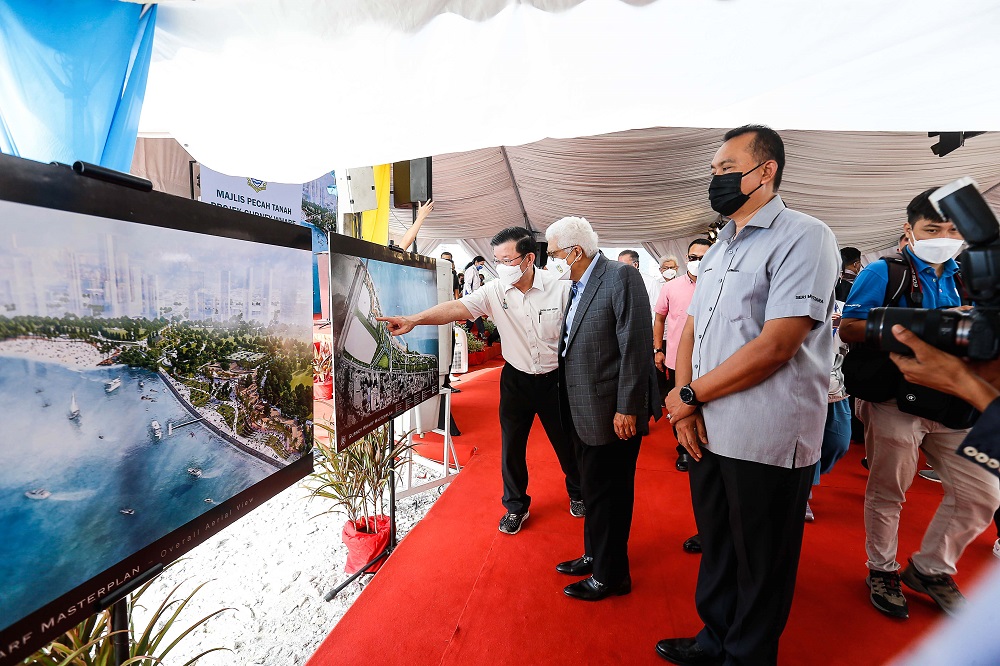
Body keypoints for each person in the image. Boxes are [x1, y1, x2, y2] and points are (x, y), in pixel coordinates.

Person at [656, 125, 839, 666]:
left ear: (766, 171)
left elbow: (778, 344)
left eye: (726, 168)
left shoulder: (804, 236)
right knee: (718, 543)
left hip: (766, 432)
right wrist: (684, 402)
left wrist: (688, 393)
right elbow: (689, 330)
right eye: (713, 171)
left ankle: (746, 656)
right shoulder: (717, 247)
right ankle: (715, 639)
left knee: (762, 561)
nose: (716, 179)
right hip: (710, 426)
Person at [839, 188, 1000, 620]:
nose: (944, 237)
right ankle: (883, 569)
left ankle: (931, 569)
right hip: (895, 398)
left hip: (955, 402)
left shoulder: (971, 276)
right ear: (910, 231)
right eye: (932, 229)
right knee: (889, 490)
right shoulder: (883, 272)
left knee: (981, 493)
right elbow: (849, 328)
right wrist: (929, 325)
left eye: (953, 230)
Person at [377, 227, 584, 535]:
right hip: (516, 380)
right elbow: (456, 308)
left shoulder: (561, 288)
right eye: (496, 259)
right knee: (512, 448)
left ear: (529, 258)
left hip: (556, 380)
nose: (501, 266)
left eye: (508, 259)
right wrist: (414, 319)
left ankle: (579, 492)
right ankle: (516, 506)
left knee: (567, 443)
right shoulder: (495, 290)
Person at [547, 216, 660, 602]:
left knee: (610, 493)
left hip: (613, 411)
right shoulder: (578, 285)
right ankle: (594, 554)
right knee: (594, 489)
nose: (551, 260)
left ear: (575, 252)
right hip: (582, 408)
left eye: (554, 253)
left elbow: (636, 346)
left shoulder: (620, 277)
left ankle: (611, 576)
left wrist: (628, 407)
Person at [653, 239, 711, 472]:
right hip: (678, 359)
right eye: (694, 258)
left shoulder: (720, 285)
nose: (698, 262)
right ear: (687, 259)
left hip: (711, 359)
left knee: (707, 406)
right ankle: (684, 450)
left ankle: (706, 446)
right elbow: (659, 319)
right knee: (680, 404)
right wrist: (658, 349)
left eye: (704, 258)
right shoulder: (671, 287)